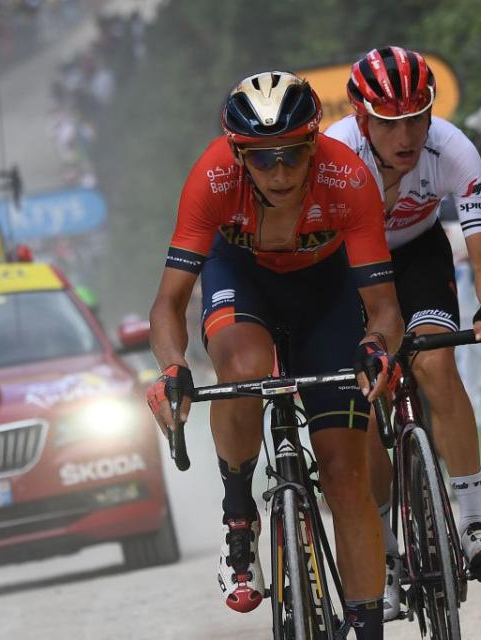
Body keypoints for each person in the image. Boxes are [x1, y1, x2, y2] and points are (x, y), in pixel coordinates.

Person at [146, 71, 403, 639]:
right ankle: (239, 513)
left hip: (326, 295)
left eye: (292, 154)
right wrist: (173, 368)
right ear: (239, 155)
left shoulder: (347, 176)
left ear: (314, 142)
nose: (281, 172)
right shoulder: (211, 178)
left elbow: (384, 307)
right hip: (243, 283)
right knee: (244, 368)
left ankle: (366, 627)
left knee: (345, 476)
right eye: (263, 160)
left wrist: (375, 346)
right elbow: (167, 304)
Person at [325, 46, 481, 621]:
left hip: (418, 258)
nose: (406, 135)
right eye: (389, 121)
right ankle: (383, 553)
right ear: (362, 120)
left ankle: (475, 519)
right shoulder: (334, 155)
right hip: (348, 270)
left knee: (435, 363)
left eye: (416, 116)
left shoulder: (453, 149)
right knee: (367, 397)